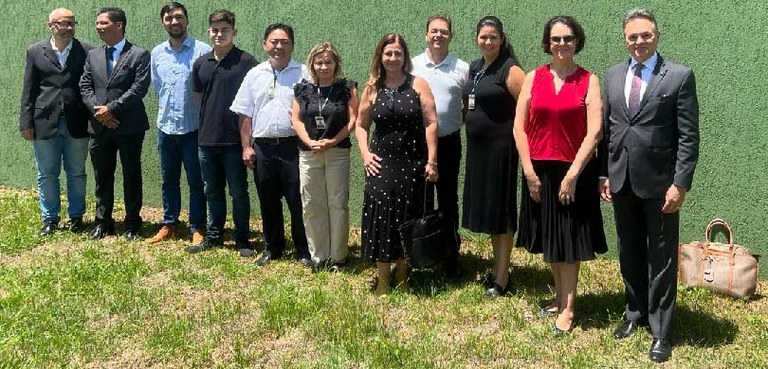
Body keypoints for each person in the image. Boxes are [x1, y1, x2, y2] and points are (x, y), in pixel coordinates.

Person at [598, 9, 699, 363]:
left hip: (660, 186)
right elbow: (607, 132)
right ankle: (635, 313)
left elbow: (688, 137)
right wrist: (602, 175)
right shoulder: (611, 76)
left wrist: (680, 184)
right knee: (629, 252)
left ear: (656, 35)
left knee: (661, 258)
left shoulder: (679, 76)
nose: (638, 42)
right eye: (632, 37)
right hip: (621, 180)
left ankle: (661, 331)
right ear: (625, 39)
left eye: (645, 35)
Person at [513, 16, 607, 336]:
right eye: (556, 39)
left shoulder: (588, 80)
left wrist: (573, 174)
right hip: (540, 170)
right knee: (553, 237)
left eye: (568, 38)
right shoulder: (533, 77)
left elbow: (595, 131)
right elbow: (519, 127)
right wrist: (528, 170)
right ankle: (558, 296)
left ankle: (568, 307)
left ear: (577, 41)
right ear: (547, 43)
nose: (562, 44)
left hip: (574, 170)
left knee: (568, 241)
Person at [355, 33, 438, 296]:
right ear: (381, 56)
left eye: (398, 53)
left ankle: (402, 276)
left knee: (406, 219)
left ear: (404, 57)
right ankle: (382, 280)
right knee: (382, 220)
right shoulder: (372, 88)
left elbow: (431, 123)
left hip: (412, 163)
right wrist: (366, 155)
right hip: (380, 165)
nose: (393, 58)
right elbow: (360, 126)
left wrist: (432, 160)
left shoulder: (418, 84)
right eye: (388, 53)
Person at [231, 23, 311, 268]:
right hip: (263, 147)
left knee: (299, 200)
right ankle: (272, 247)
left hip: (293, 147)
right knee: (268, 199)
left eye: (284, 42)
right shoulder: (255, 74)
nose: (279, 46)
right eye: (274, 41)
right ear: (265, 44)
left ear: (292, 45)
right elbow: (244, 114)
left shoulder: (304, 73)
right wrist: (246, 147)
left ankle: (304, 250)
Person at [461, 16, 525, 297]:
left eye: (493, 37)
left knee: (501, 212)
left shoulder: (509, 69)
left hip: (501, 150)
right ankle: (498, 267)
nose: (488, 41)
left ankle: (502, 276)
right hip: (478, 151)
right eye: (483, 37)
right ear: (477, 38)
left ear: (502, 39)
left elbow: (528, 108)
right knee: (488, 210)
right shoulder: (476, 68)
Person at [187, 9, 257, 256]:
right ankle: (214, 237)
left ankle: (242, 240)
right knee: (212, 191)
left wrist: (247, 141)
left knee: (238, 192)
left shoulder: (247, 63)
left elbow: (253, 104)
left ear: (234, 32)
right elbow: (200, 98)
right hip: (206, 139)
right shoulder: (200, 63)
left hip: (235, 141)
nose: (219, 34)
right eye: (215, 30)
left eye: (225, 30)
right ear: (209, 32)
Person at [20, 8, 93, 236]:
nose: (69, 28)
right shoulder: (35, 51)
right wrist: (26, 122)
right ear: (50, 25)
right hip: (44, 121)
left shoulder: (86, 50)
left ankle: (76, 216)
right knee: (47, 173)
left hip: (77, 121)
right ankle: (50, 218)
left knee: (77, 172)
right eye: (64, 24)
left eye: (72, 23)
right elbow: (29, 89)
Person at [79, 7, 150, 241]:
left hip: (129, 126)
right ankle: (103, 222)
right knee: (102, 175)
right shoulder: (93, 55)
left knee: (131, 175)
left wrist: (112, 108)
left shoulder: (139, 54)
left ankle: (132, 224)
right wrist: (100, 112)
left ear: (119, 25)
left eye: (103, 23)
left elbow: (139, 88)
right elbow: (85, 86)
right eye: (97, 23)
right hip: (99, 126)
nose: (98, 27)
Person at [290, 42, 358, 271]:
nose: (324, 66)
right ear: (312, 64)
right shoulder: (302, 89)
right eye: (319, 62)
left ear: (336, 64)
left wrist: (332, 141)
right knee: (312, 204)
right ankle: (318, 256)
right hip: (309, 153)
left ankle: (338, 257)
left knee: (337, 203)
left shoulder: (346, 87)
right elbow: (296, 119)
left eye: (328, 62)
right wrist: (309, 142)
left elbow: (353, 120)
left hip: (337, 152)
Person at [148, 2, 211, 245]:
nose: (174, 22)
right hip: (165, 128)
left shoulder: (202, 51)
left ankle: (197, 227)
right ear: (163, 22)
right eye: (168, 18)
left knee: (197, 181)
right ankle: (170, 223)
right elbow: (158, 87)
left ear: (186, 20)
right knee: (168, 179)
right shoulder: (157, 53)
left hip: (193, 128)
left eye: (179, 17)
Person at [411, 15, 469, 278]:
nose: (438, 36)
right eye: (433, 31)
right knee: (419, 200)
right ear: (426, 35)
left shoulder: (462, 68)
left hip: (448, 143)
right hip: (417, 145)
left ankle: (449, 256)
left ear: (450, 37)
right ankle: (420, 255)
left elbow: (469, 103)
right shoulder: (411, 66)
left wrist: (457, 122)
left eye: (444, 32)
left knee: (448, 200)